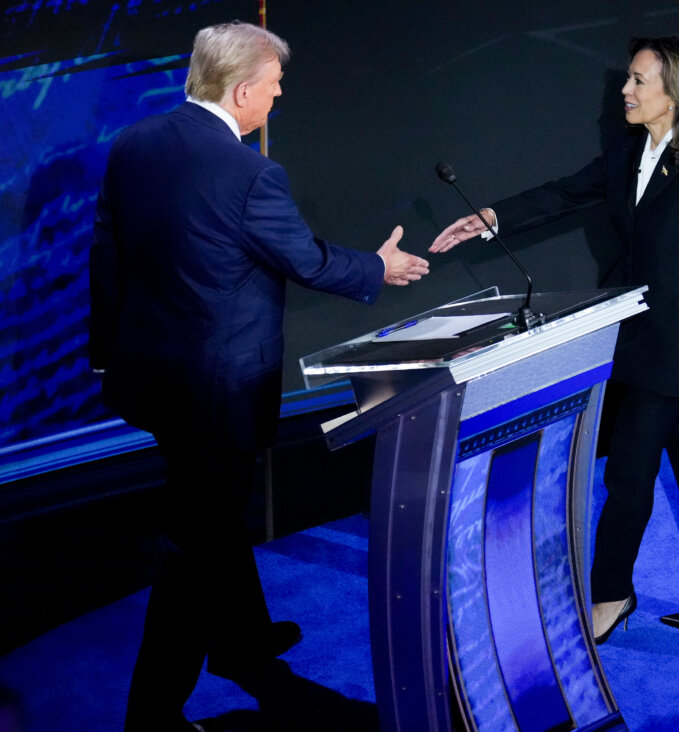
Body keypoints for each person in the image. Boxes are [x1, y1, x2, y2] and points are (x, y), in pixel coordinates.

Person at [89, 21, 429, 731]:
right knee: (196, 546)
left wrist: (104, 356)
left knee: (210, 512)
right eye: (274, 88)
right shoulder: (250, 174)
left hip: (156, 381)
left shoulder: (135, 144)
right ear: (243, 91)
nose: (277, 98)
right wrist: (380, 267)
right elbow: (304, 259)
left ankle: (241, 642)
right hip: (219, 393)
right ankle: (151, 715)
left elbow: (107, 254)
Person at [430, 35, 679, 640]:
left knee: (628, 475)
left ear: (674, 94)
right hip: (645, 338)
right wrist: (491, 217)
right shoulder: (628, 155)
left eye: (639, 81)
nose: (626, 89)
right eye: (630, 79)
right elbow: (565, 193)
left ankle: (610, 595)